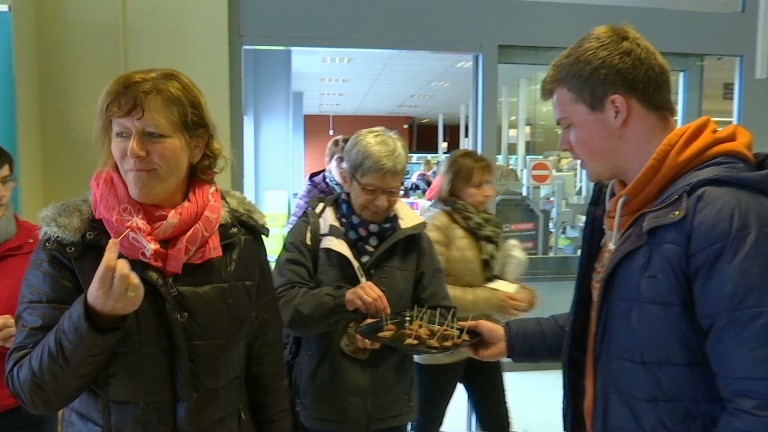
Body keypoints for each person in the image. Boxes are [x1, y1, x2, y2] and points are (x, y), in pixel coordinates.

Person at [462, 24, 768, 432]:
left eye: (568, 124)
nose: (563, 144)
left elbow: (757, 402)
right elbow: (617, 322)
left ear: (616, 109)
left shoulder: (726, 215)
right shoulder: (624, 205)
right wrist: (513, 339)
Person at [5, 68, 296, 431]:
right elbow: (35, 393)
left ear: (197, 145)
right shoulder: (71, 242)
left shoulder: (237, 239)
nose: (134, 151)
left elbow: (267, 373)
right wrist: (94, 317)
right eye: (122, 134)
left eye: (154, 135)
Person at [272, 126, 452, 432]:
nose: (381, 203)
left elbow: (441, 322)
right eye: (370, 190)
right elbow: (281, 305)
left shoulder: (414, 239)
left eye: (392, 191)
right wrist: (343, 299)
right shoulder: (312, 230)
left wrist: (387, 331)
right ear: (347, 177)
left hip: (389, 409)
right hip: (323, 405)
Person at [411, 149, 536, 432]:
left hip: (480, 338)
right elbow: (433, 292)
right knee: (426, 424)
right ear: (455, 186)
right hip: (440, 343)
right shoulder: (436, 225)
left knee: (497, 423)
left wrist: (523, 296)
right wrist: (494, 299)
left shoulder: (485, 225)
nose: (488, 192)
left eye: (489, 183)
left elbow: (498, 278)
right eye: (477, 185)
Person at [0, 147, 58, 432]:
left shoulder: (40, 243)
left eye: (5, 181)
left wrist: (30, 332)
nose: (0, 193)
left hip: (27, 407)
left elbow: (66, 323)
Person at [287, 135, 349, 231]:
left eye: (349, 161)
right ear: (328, 164)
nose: (345, 166)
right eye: (339, 160)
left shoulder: (357, 190)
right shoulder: (312, 189)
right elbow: (293, 230)